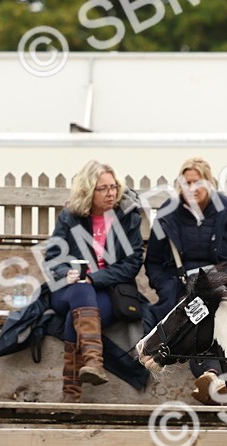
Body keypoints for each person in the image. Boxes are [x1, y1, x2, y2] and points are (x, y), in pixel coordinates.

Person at [144, 156, 227, 404]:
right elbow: (154, 262)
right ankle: (213, 376)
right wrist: (168, 289)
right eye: (186, 183)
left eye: (197, 182)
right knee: (193, 319)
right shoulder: (168, 214)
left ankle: (213, 375)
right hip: (181, 289)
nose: (191, 188)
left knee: (213, 318)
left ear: (209, 183)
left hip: (220, 287)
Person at [43, 160, 147, 401]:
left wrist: (93, 278)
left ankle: (71, 391)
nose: (111, 193)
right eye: (103, 188)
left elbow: (132, 263)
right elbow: (52, 259)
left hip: (109, 290)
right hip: (67, 290)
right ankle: (92, 361)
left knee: (75, 314)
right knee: (80, 291)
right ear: (88, 190)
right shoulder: (70, 216)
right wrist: (66, 273)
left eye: (113, 187)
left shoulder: (127, 215)